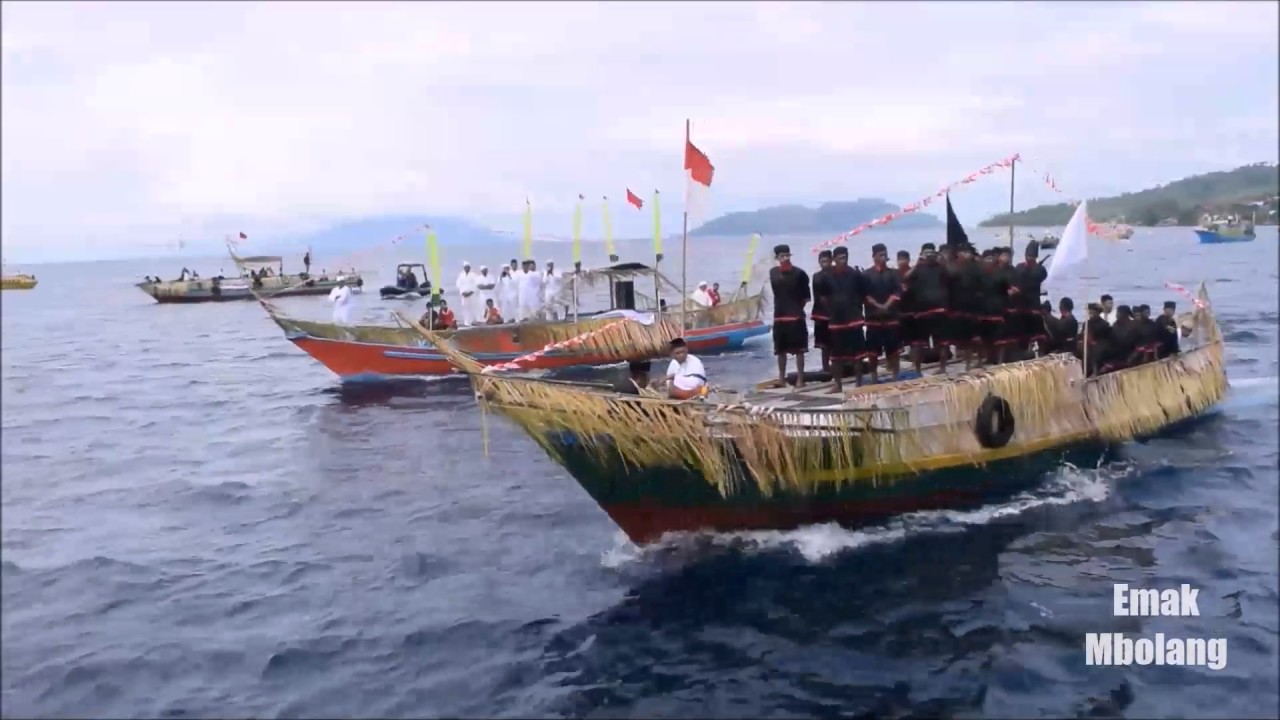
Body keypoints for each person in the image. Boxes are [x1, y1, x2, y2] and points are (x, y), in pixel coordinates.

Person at [821, 245, 866, 392]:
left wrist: (856, 309)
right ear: (834, 259)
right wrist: (833, 310)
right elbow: (824, 298)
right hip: (837, 321)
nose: (844, 260)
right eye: (840, 258)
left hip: (854, 319)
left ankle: (859, 383)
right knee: (836, 355)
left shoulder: (855, 274)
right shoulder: (827, 276)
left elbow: (862, 294)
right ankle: (838, 385)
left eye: (845, 258)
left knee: (857, 354)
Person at [768, 244, 811, 388]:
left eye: (787, 255)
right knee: (780, 350)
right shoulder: (773, 273)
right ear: (777, 258)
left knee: (800, 350)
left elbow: (806, 297)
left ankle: (800, 379)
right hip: (779, 316)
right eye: (782, 256)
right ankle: (781, 378)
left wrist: (796, 309)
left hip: (795, 316)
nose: (785, 258)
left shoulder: (800, 273)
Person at [905, 242, 949, 375]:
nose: (929, 256)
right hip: (922, 310)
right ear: (922, 255)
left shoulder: (941, 267)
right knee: (919, 343)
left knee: (941, 341)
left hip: (939, 309)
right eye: (926, 254)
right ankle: (918, 370)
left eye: (931, 254)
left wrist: (944, 260)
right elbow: (905, 277)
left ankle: (942, 368)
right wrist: (917, 263)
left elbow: (952, 275)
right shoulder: (918, 268)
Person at [861, 243, 902, 383]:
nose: (883, 257)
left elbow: (897, 292)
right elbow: (864, 294)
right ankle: (874, 378)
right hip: (873, 319)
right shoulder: (866, 275)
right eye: (880, 255)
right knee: (872, 352)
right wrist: (878, 305)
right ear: (874, 256)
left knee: (894, 350)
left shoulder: (893, 273)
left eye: (885, 254)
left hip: (891, 318)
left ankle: (896, 376)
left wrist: (886, 305)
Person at [945, 243, 983, 370]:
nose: (967, 255)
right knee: (964, 340)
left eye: (968, 253)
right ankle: (967, 363)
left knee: (977, 338)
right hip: (959, 306)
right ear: (958, 254)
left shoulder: (976, 267)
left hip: (974, 306)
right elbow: (950, 277)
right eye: (964, 253)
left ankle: (979, 360)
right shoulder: (953, 267)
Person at [1012, 240, 1049, 355]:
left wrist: (1032, 267)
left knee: (1038, 333)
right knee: (1022, 333)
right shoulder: (1019, 267)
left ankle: (1041, 354)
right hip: (1021, 305)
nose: (1029, 258)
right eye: (1028, 255)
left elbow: (1037, 278)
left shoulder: (1040, 270)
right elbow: (1017, 278)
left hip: (1033, 304)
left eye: (1032, 256)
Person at [988, 246, 1019, 364]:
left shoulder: (1012, 270)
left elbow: (1016, 288)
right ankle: (994, 359)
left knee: (1008, 337)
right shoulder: (994, 271)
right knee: (996, 336)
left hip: (1010, 306)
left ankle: (1005, 360)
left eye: (1008, 256)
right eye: (1004, 255)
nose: (1006, 258)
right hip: (996, 306)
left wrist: (1011, 291)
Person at [811, 249, 833, 372]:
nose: (824, 264)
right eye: (822, 261)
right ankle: (825, 368)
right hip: (821, 314)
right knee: (824, 345)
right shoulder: (817, 276)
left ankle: (840, 367)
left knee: (837, 343)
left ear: (831, 261)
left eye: (827, 261)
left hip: (835, 314)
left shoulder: (836, 275)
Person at [1081, 302, 1110, 375]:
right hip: (1088, 348)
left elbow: (1106, 339)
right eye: (1089, 312)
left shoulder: (1104, 324)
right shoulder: (1086, 323)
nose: (1090, 314)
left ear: (1097, 312)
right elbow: (1083, 335)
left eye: (1092, 312)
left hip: (1099, 349)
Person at [455, 262, 480, 326]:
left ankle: (473, 321)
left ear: (469, 268)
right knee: (465, 308)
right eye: (465, 267)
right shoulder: (461, 275)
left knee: (473, 307)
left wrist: (471, 292)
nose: (466, 268)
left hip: (472, 294)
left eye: (467, 267)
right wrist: (462, 293)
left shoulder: (473, 275)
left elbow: (476, 284)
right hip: (464, 295)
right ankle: (466, 322)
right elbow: (458, 284)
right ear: (464, 268)